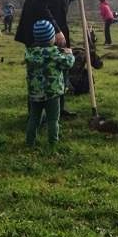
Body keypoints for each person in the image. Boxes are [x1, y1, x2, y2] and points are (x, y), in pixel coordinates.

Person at [14, 0, 85, 119]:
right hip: (40, 32)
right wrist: (56, 30)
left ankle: (58, 111)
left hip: (56, 27)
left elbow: (59, 0)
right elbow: (40, 5)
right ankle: (37, 115)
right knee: (40, 73)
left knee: (59, 70)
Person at [25, 19, 76, 149]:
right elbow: (68, 64)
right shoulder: (55, 54)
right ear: (51, 38)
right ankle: (53, 143)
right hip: (52, 93)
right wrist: (70, 54)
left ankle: (30, 142)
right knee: (53, 119)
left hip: (34, 93)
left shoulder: (30, 53)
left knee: (34, 118)